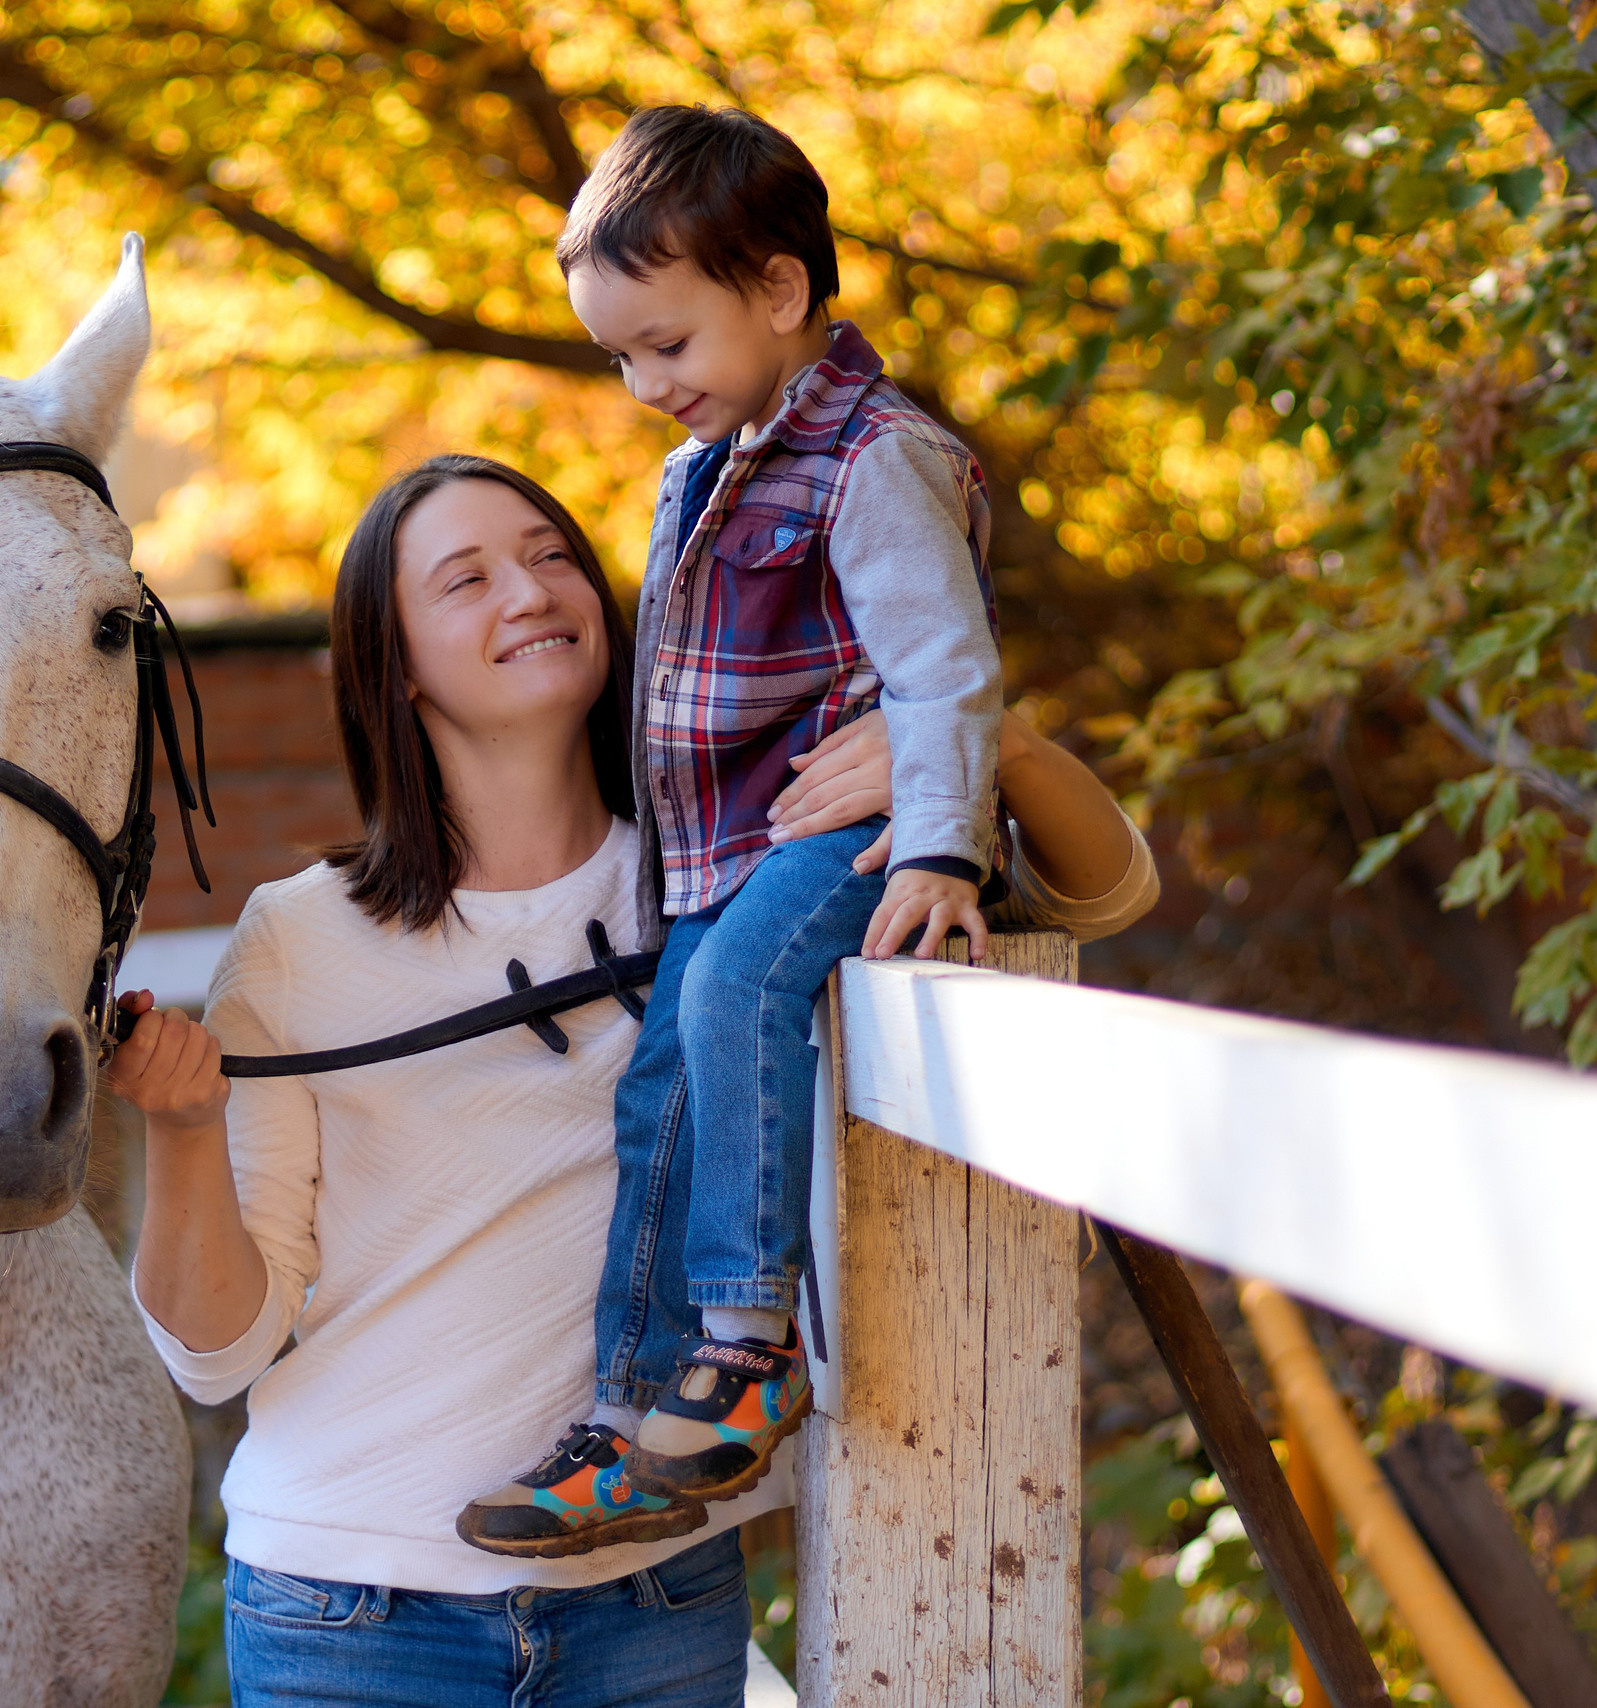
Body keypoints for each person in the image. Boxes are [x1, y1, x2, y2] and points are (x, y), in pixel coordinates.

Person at [111, 456, 1156, 1705]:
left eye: (553, 555)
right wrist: (181, 1133)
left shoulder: (745, 882)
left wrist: (970, 742)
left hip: (653, 1607)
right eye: (467, 578)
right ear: (393, 665)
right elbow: (217, 1358)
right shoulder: (301, 938)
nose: (530, 590)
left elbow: (1108, 891)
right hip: (352, 1612)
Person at [442, 104, 1013, 1547]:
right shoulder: (699, 468)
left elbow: (944, 666)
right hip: (723, 852)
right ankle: (632, 1420)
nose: (643, 381)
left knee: (745, 990)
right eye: (620, 354)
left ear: (776, 290)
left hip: (840, 836)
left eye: (668, 344)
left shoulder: (873, 457)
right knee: (661, 1094)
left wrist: (942, 842)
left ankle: (747, 1347)